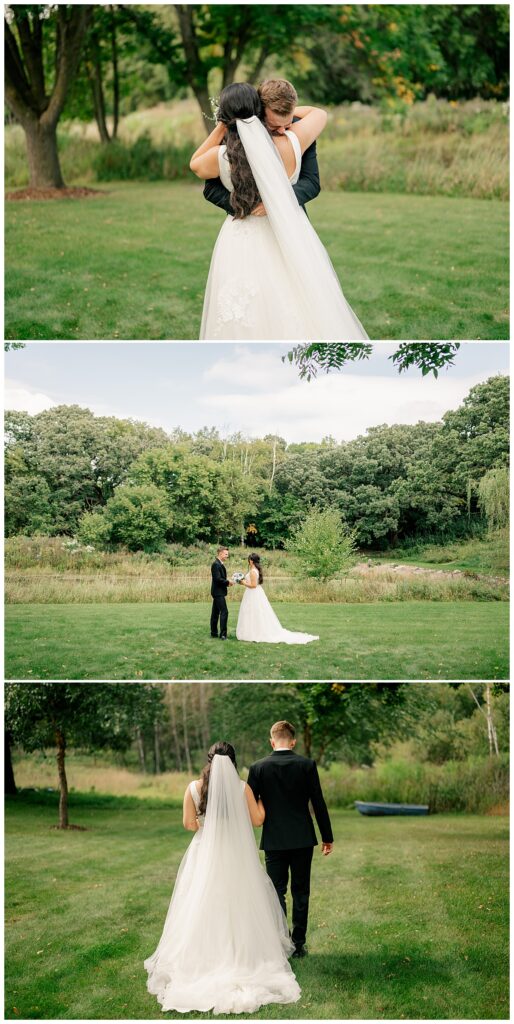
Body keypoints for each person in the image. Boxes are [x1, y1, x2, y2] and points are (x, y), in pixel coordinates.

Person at [189, 80, 369, 340]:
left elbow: (311, 183)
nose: (285, 130)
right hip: (249, 231)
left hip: (282, 231)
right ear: (260, 114)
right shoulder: (297, 140)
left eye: (289, 121)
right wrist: (244, 208)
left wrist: (277, 201)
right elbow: (320, 114)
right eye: (276, 125)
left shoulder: (225, 154)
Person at [144, 742, 301, 1014]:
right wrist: (262, 802)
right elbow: (258, 820)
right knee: (240, 902)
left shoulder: (193, 788)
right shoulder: (243, 788)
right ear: (233, 762)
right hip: (236, 853)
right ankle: (244, 956)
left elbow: (189, 824)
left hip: (204, 852)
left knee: (201, 902)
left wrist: (207, 824)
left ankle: (202, 958)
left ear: (208, 761)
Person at [247, 720, 334, 958]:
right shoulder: (306, 765)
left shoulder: (258, 768)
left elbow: (249, 803)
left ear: (272, 741)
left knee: (276, 892)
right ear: (293, 741)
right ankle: (298, 945)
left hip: (274, 840)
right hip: (303, 838)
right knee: (301, 891)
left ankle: (281, 941)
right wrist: (327, 837)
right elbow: (318, 802)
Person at [236, 553, 319, 644]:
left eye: (249, 560)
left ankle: (255, 632)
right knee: (253, 612)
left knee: (255, 612)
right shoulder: (254, 570)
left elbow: (253, 585)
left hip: (253, 594)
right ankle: (252, 631)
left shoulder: (252, 571)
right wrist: (242, 581)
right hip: (253, 594)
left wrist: (243, 583)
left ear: (251, 561)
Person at [210, 544, 233, 639]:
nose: (227, 556)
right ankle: (223, 635)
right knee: (224, 612)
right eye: (226, 554)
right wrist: (228, 582)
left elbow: (220, 578)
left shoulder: (219, 564)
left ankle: (214, 632)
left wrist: (228, 582)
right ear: (220, 553)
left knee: (215, 613)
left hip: (218, 591)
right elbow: (217, 579)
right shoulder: (216, 564)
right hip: (218, 592)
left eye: (227, 554)